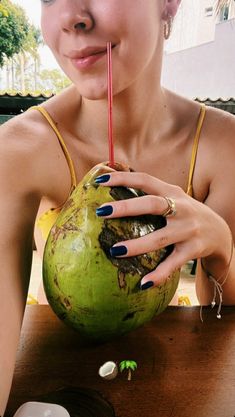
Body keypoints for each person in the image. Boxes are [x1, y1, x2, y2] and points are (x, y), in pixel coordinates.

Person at [0, 0, 235, 413]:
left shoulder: (226, 145)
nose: (72, 16)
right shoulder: (14, 153)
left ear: (168, 4)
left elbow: (222, 310)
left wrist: (221, 245)